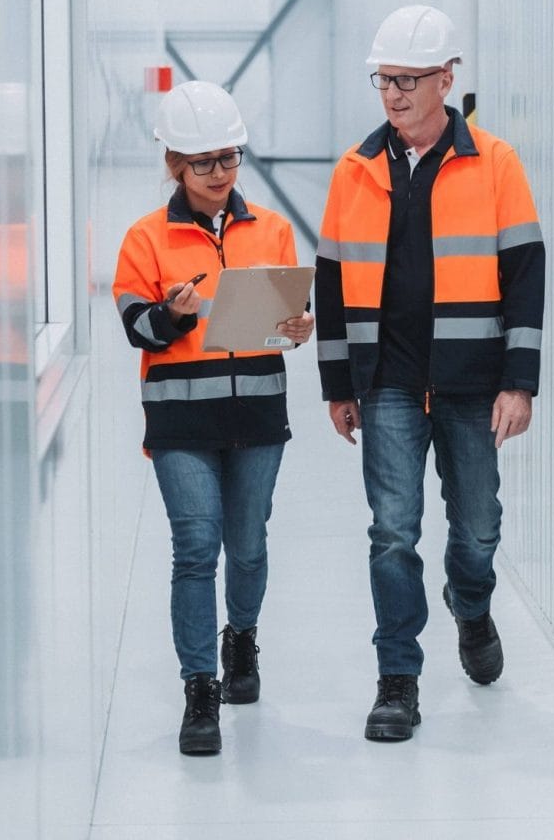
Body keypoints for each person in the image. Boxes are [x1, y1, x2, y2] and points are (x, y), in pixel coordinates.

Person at [315, 5, 545, 742]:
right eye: (385, 79)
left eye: (411, 79)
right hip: (385, 382)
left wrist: (520, 380)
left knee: (477, 531)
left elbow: (526, 277)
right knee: (391, 533)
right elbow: (330, 281)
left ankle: (469, 604)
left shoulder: (496, 163)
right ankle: (398, 680)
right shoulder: (354, 171)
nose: (395, 94)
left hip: (472, 381)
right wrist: (337, 385)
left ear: (448, 78)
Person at [112, 81, 314, 756]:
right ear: (172, 162)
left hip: (257, 415)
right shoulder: (145, 238)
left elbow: (285, 318)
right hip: (180, 426)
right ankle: (200, 689)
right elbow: (136, 327)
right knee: (197, 549)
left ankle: (242, 638)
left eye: (228, 157)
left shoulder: (273, 228)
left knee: (248, 544)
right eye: (203, 162)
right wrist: (173, 314)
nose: (220, 173)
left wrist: (298, 326)